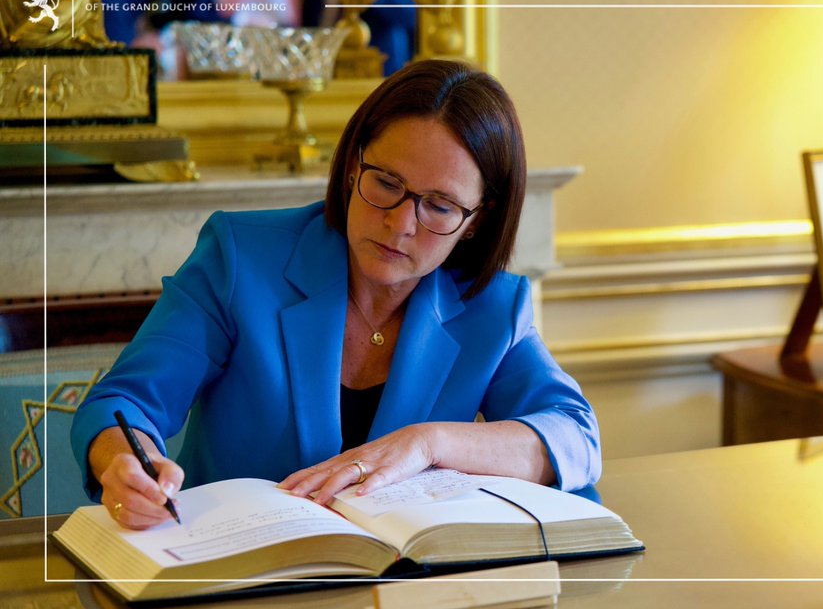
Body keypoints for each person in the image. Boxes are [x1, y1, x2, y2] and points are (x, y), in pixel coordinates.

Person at [70, 60, 601, 530]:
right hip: (235, 583)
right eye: (387, 183)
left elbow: (576, 437)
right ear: (352, 166)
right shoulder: (242, 258)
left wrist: (428, 444)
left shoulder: (493, 307)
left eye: (439, 206)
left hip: (406, 594)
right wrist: (125, 463)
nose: (399, 225)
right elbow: (124, 402)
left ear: (475, 222)